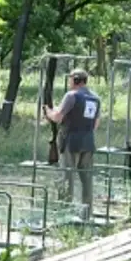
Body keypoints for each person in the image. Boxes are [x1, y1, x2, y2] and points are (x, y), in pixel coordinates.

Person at [43, 69, 101, 221]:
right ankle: (86, 213)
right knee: (86, 179)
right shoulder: (95, 98)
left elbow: (57, 117)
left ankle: (64, 213)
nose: (69, 82)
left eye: (70, 79)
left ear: (75, 80)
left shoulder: (71, 96)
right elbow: (96, 123)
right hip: (88, 141)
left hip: (70, 141)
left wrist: (48, 111)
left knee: (67, 176)